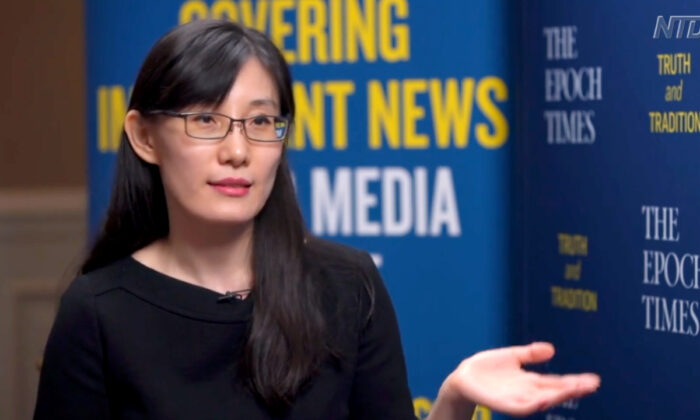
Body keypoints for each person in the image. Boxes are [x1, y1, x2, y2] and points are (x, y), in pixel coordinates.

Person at [33, 19, 599, 420]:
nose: (238, 151)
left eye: (261, 122)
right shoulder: (97, 312)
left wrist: (453, 398)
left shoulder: (348, 285)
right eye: (206, 120)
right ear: (144, 137)